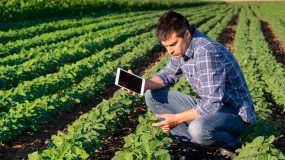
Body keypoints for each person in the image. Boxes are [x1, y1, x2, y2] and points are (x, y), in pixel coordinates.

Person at [127, 11, 256, 158]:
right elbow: (167, 75)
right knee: (152, 95)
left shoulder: (206, 52)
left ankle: (232, 145)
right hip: (213, 108)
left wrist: (176, 119)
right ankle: (195, 146)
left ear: (187, 35)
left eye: (173, 44)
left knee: (198, 129)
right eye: (166, 46)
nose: (169, 50)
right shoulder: (182, 49)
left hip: (236, 114)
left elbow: (212, 104)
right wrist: (141, 83)